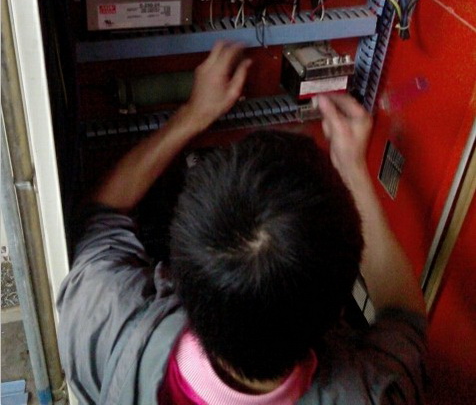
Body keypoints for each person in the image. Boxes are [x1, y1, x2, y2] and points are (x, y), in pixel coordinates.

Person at [57, 42, 427, 405]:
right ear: (339, 314)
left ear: (174, 273)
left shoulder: (100, 325)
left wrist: (192, 115)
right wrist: (351, 168)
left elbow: (100, 216)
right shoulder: (376, 394)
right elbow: (405, 317)